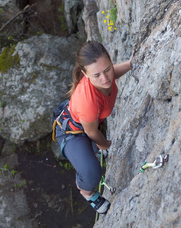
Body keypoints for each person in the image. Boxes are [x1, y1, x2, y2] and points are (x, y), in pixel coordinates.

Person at [53, 40, 133, 214]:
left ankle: (94, 151)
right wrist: (106, 145)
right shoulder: (88, 101)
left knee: (95, 152)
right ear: (85, 74)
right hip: (72, 133)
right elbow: (90, 131)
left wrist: (130, 63)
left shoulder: (103, 77)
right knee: (92, 173)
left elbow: (111, 74)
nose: (105, 79)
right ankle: (87, 192)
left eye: (107, 69)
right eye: (97, 75)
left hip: (87, 123)